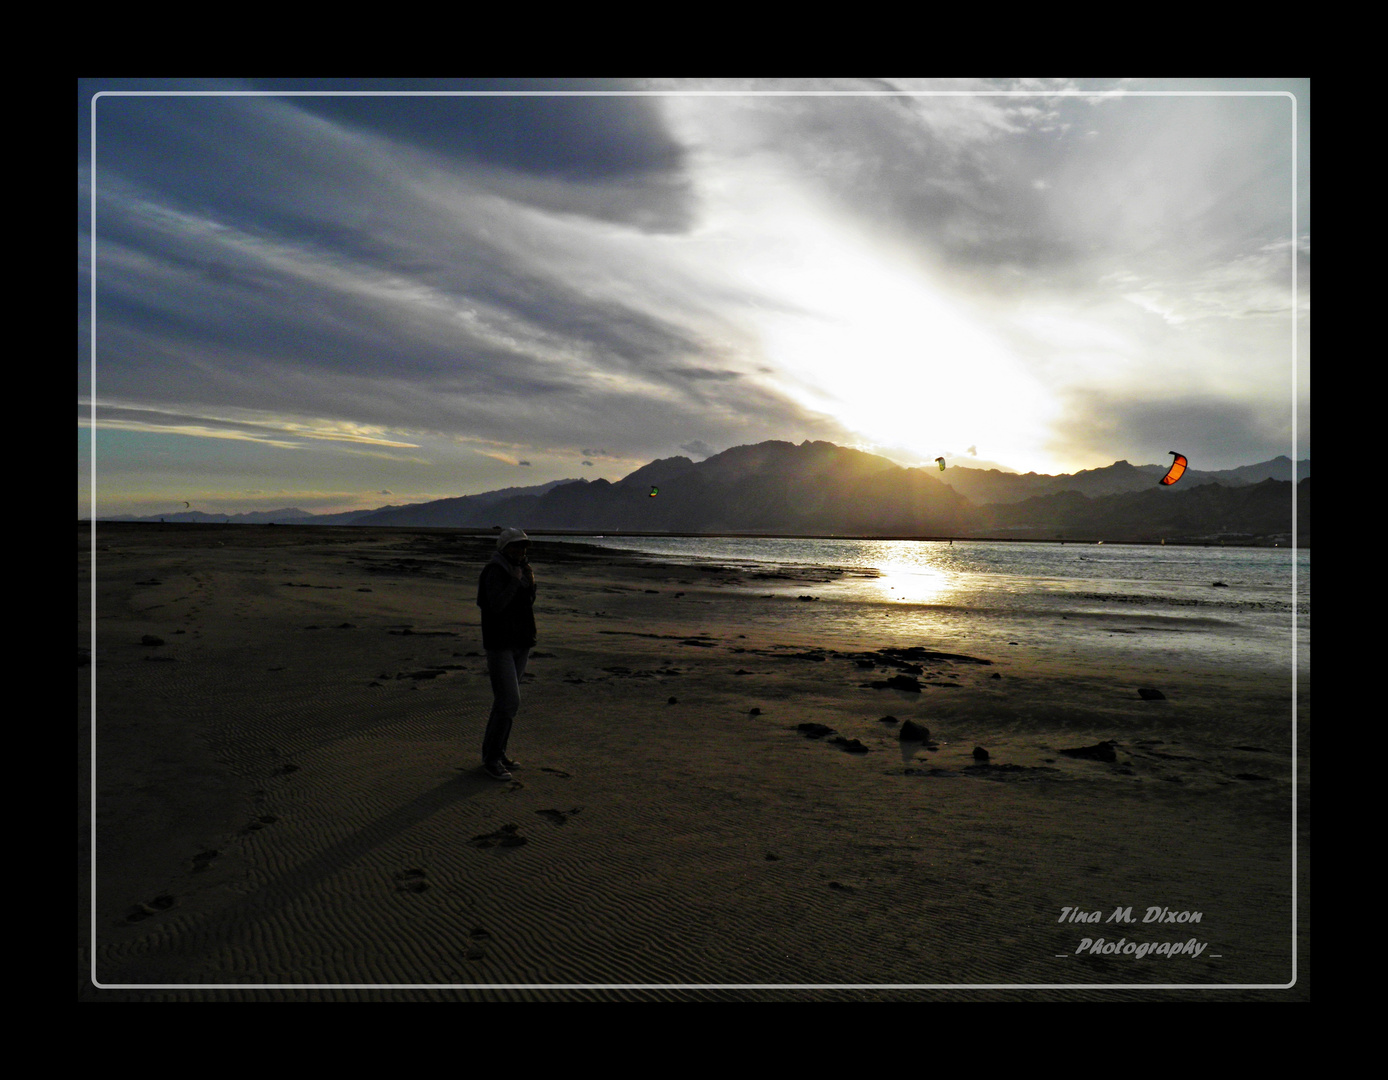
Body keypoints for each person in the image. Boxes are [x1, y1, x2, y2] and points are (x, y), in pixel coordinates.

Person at [476, 527, 537, 781]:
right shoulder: (494, 571)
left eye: (523, 546)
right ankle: (492, 759)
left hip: (520, 643)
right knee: (509, 701)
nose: (520, 550)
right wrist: (514, 580)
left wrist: (527, 580)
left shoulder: (522, 570)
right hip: (500, 644)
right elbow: (496, 605)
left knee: (505, 704)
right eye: (515, 546)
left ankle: (496, 754)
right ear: (504, 548)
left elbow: (527, 602)